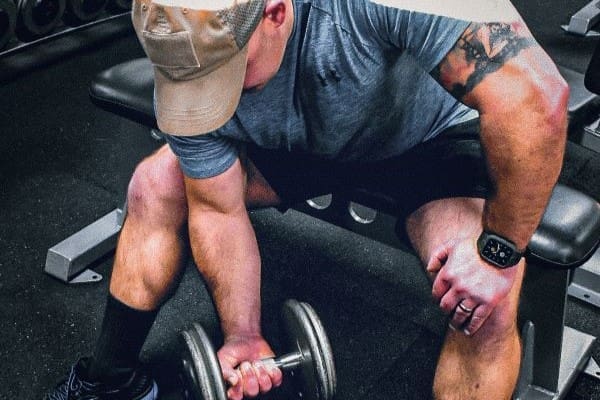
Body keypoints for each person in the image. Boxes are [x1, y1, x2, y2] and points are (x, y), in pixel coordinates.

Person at [45, 0, 569, 399]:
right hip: (300, 139)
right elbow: (217, 210)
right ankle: (109, 382)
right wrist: (242, 334)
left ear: (275, 13)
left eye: (225, 76)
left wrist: (497, 254)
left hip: (426, 138)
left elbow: (536, 101)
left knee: (481, 306)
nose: (206, 97)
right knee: (156, 184)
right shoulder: (183, 53)